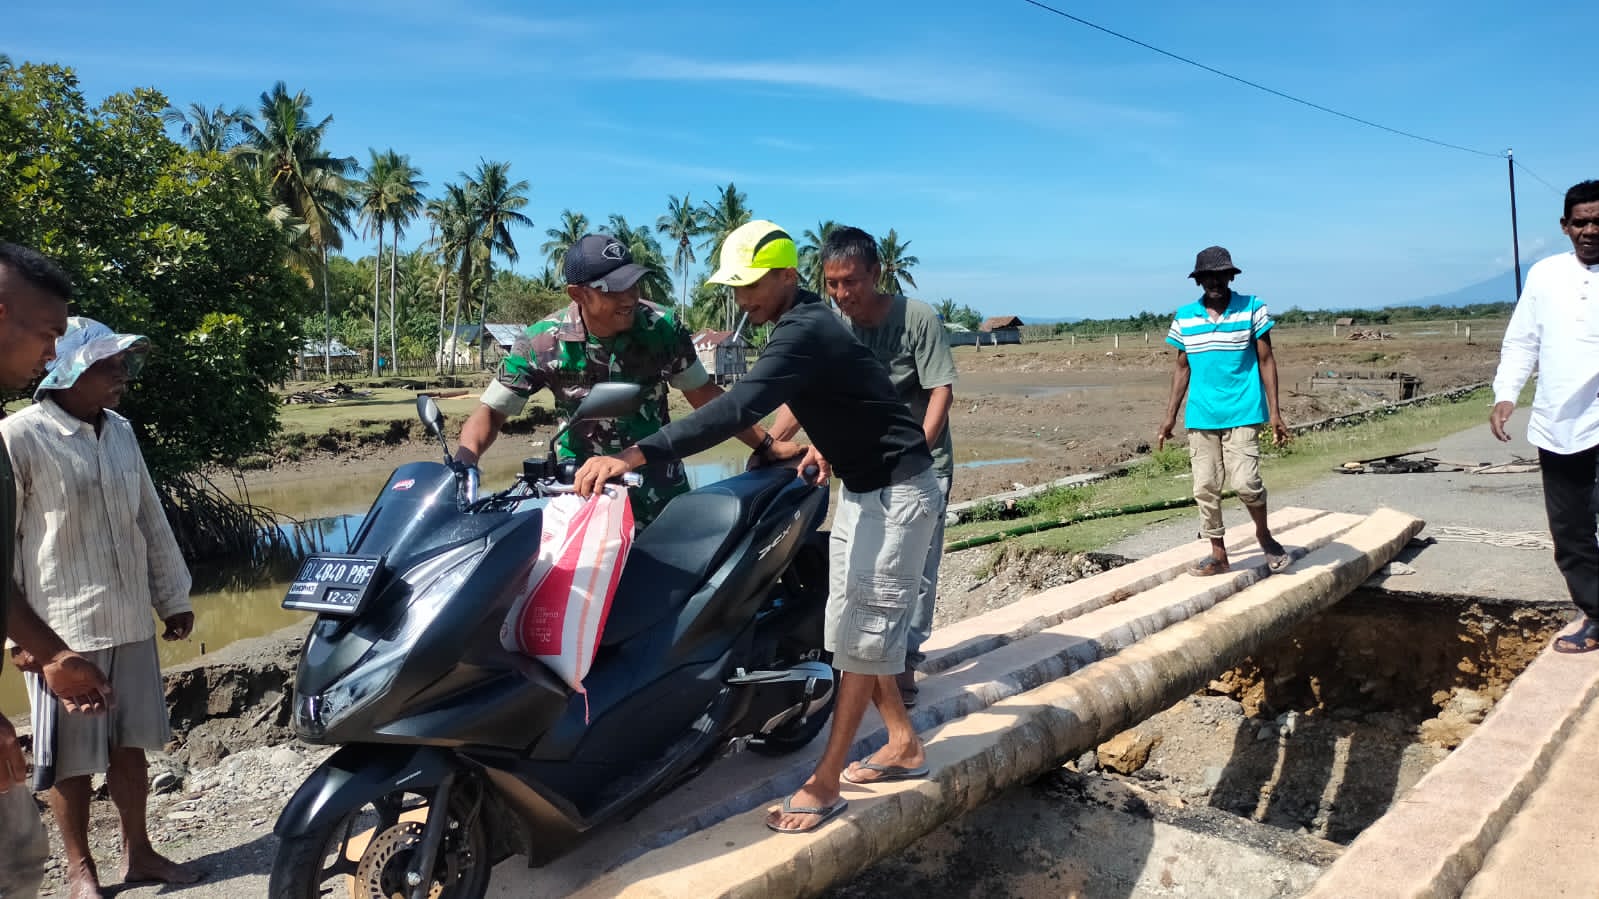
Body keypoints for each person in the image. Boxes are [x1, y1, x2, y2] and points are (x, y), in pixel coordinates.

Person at [573, 220, 943, 835]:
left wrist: (636, 455)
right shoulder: (808, 329)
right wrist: (817, 445)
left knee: (863, 637)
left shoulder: (804, 329)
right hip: (860, 487)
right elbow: (853, 397)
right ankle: (902, 742)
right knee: (846, 626)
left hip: (899, 496)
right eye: (736, 288)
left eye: (751, 287)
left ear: (786, 278)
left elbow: (735, 406)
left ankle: (824, 784)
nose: (742, 300)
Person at [3, 316, 202, 898]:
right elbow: (3, 546)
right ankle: (79, 868)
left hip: (129, 618)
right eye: (107, 365)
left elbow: (149, 517)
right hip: (59, 634)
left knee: (129, 746)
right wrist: (18, 642)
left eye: (121, 364)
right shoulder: (18, 437)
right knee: (69, 761)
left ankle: (139, 854)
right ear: (65, 371)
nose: (121, 377)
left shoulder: (119, 430)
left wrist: (172, 596)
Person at [453, 233, 799, 527]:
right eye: (614, 289)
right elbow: (491, 413)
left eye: (633, 284)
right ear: (578, 294)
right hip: (580, 494)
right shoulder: (542, 342)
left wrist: (765, 445)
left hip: (658, 490)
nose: (630, 297)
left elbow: (705, 396)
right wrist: (462, 467)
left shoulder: (661, 328)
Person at [771, 225, 956, 707]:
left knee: (916, 570)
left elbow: (940, 391)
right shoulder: (833, 325)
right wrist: (771, 441)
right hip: (862, 467)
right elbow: (803, 391)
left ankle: (905, 663)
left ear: (875, 274)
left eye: (851, 282)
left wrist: (913, 460)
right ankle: (865, 665)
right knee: (861, 568)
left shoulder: (917, 319)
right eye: (832, 283)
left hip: (919, 465)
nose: (841, 293)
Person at [0, 244, 115, 899]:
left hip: (71, 631)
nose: (52, 354)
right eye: (46, 334)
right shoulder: (20, 434)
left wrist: (49, 651)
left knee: (18, 860)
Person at [1490, 179, 1599, 652]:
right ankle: (1595, 614)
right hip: (1559, 424)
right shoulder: (1545, 275)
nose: (1590, 230)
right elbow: (1522, 341)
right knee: (1571, 530)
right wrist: (1506, 394)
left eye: (1598, 221)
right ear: (1565, 226)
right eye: (1581, 222)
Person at [1156, 246, 1292, 576]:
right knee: (1205, 486)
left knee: (1246, 482)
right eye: (1207, 277)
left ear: (1230, 276)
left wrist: (1275, 413)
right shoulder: (1185, 316)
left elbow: (1266, 360)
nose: (1214, 282)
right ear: (1199, 281)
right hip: (1202, 415)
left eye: (1220, 275)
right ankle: (1218, 553)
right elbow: (1182, 368)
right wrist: (1169, 416)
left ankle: (1263, 534)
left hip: (1244, 411)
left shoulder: (1252, 309)